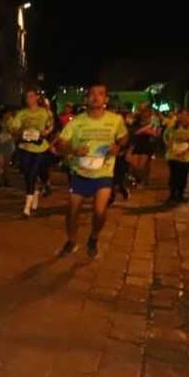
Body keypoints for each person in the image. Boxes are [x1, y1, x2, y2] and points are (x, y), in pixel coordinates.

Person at [52, 83, 128, 259]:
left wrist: (118, 147)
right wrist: (74, 150)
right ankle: (72, 241)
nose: (95, 97)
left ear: (106, 99)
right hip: (80, 172)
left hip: (103, 172)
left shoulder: (115, 120)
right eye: (92, 94)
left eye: (100, 94)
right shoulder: (77, 121)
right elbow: (61, 145)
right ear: (86, 99)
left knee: (100, 212)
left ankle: (93, 238)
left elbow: (124, 138)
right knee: (72, 211)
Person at [10, 89, 55, 217]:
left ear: (37, 97)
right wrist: (19, 132)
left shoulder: (45, 112)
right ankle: (34, 191)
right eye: (27, 97)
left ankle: (27, 206)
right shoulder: (22, 113)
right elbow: (14, 127)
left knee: (34, 173)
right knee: (27, 173)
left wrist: (46, 132)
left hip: (40, 148)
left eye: (31, 96)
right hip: (25, 146)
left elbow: (51, 126)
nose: (29, 99)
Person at [163, 108, 189, 204]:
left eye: (186, 115)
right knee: (174, 176)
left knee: (183, 177)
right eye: (181, 115)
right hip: (174, 155)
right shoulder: (172, 126)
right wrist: (170, 145)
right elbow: (166, 137)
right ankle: (172, 195)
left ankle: (180, 195)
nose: (183, 118)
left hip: (188, 157)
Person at [127, 104, 160, 187]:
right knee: (134, 165)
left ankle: (143, 181)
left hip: (147, 145)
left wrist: (146, 131)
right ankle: (137, 179)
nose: (144, 113)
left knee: (142, 165)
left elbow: (155, 133)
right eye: (143, 111)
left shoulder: (153, 122)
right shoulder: (136, 121)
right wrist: (144, 130)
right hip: (136, 144)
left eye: (146, 111)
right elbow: (134, 131)